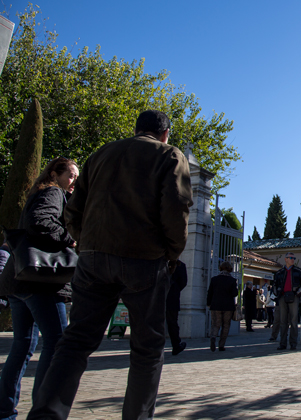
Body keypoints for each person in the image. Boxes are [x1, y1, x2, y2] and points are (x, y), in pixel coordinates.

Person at [27, 110, 193, 420]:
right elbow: (176, 207)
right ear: (165, 134)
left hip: (93, 259)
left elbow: (74, 209)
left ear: (136, 129)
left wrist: (87, 242)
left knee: (75, 341)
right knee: (147, 349)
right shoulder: (170, 155)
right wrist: (170, 253)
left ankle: (45, 415)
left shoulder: (102, 153)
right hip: (144, 259)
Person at [0, 157, 77, 420]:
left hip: (19, 280)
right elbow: (41, 222)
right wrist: (71, 239)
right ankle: (43, 412)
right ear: (55, 173)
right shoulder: (53, 192)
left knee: (22, 345)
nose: (73, 183)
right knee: (56, 344)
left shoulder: (38, 192)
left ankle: (4, 410)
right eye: (71, 176)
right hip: (41, 282)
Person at [273, 252, 301, 350]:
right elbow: (275, 285)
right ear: (286, 259)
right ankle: (282, 343)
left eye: (294, 258)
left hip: (294, 297)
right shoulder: (279, 272)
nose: (293, 259)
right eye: (291, 258)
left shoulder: (298, 271)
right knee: (283, 321)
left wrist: (297, 294)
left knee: (293, 321)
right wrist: (277, 294)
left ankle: (293, 343)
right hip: (283, 297)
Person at [207, 261, 239, 351]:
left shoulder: (214, 279)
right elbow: (234, 294)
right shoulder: (232, 280)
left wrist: (208, 303)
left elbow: (210, 293)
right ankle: (221, 345)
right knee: (226, 325)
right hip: (228, 306)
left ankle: (213, 336)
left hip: (216, 305)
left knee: (215, 324)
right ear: (230, 269)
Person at [166, 260, 187, 356]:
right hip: (172, 297)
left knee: (154, 322)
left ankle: (151, 346)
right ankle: (176, 345)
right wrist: (175, 289)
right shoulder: (180, 265)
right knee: (172, 323)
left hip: (157, 296)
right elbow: (183, 282)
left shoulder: (158, 261)